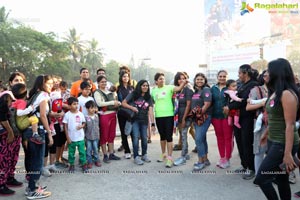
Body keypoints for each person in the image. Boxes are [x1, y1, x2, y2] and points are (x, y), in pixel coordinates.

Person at [254, 58, 300, 200]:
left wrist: (288, 154)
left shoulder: (287, 94)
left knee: (261, 178)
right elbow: (275, 118)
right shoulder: (274, 92)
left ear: (277, 72)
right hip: (273, 140)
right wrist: (266, 133)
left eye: (269, 70)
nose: (266, 73)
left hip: (283, 143)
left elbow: (290, 124)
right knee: (281, 178)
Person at [224, 65, 259, 180]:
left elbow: (244, 101)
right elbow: (236, 98)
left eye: (239, 73)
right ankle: (244, 165)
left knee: (247, 143)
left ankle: (251, 168)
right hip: (238, 118)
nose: (238, 75)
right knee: (239, 142)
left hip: (247, 118)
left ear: (245, 73)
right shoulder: (241, 84)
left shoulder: (253, 85)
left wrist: (229, 107)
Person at [24, 75, 53, 199]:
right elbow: (42, 115)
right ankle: (32, 190)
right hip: (37, 131)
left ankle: (32, 186)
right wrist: (49, 132)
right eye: (49, 84)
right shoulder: (43, 96)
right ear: (42, 84)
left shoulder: (34, 95)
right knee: (38, 161)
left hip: (29, 130)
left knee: (32, 160)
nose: (51, 86)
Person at [151, 72, 186, 168]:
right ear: (156, 81)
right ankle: (163, 154)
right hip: (158, 116)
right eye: (160, 79)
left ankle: (169, 158)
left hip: (169, 116)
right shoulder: (153, 91)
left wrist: (184, 81)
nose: (162, 80)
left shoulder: (169, 88)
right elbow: (150, 102)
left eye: (163, 78)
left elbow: (178, 88)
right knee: (162, 137)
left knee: (169, 137)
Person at [122, 80, 155, 165]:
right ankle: (136, 156)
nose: (145, 87)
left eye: (147, 86)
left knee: (144, 138)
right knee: (135, 138)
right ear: (139, 86)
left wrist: (153, 124)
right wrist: (132, 108)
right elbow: (123, 103)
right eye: (143, 85)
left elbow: (151, 111)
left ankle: (144, 155)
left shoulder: (149, 97)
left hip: (144, 120)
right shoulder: (133, 94)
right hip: (135, 120)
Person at [0, 91, 23, 196]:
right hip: (4, 139)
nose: (11, 103)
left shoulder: (8, 109)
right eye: (10, 100)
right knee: (3, 162)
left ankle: (8, 179)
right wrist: (10, 132)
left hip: (11, 138)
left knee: (10, 159)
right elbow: (3, 119)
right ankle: (1, 184)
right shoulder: (2, 110)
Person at [94, 75, 121, 163]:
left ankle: (111, 153)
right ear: (98, 83)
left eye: (105, 82)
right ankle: (105, 155)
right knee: (104, 135)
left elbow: (113, 101)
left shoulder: (109, 91)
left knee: (111, 135)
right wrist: (113, 102)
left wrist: (117, 103)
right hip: (104, 115)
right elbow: (100, 103)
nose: (104, 83)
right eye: (102, 82)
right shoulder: (97, 92)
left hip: (113, 114)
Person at [246, 70, 268, 175]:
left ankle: (273, 176)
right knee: (259, 150)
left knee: (275, 152)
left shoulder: (280, 90)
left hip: (277, 124)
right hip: (262, 124)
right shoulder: (257, 90)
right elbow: (248, 106)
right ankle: (259, 176)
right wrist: (263, 102)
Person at [211, 70, 234, 169]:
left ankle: (227, 159)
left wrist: (228, 107)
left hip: (227, 117)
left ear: (227, 77)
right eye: (220, 76)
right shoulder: (213, 88)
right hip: (215, 117)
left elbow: (234, 100)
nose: (222, 78)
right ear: (217, 77)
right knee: (219, 138)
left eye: (224, 76)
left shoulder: (230, 88)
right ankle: (222, 158)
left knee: (228, 138)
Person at [190, 73, 212, 171]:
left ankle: (200, 161)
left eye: (201, 79)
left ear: (205, 80)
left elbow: (207, 104)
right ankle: (206, 159)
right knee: (202, 138)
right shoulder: (196, 91)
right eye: (197, 79)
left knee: (198, 139)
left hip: (204, 117)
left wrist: (199, 115)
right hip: (196, 118)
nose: (199, 81)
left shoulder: (206, 90)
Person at [172, 72, 194, 166]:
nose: (181, 80)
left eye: (183, 78)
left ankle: (183, 156)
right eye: (179, 78)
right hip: (180, 116)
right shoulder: (178, 90)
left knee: (184, 135)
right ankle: (186, 154)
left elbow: (188, 105)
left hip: (186, 116)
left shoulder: (187, 89)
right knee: (183, 134)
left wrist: (184, 118)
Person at [63, 97, 88, 173]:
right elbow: (65, 127)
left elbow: (84, 123)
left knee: (82, 152)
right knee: (71, 153)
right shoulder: (67, 115)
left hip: (80, 138)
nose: (76, 105)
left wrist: (82, 126)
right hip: (72, 138)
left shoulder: (80, 114)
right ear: (69, 106)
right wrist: (68, 138)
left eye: (77, 104)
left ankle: (84, 165)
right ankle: (71, 165)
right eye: (74, 104)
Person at [117, 70, 134, 159]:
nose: (126, 78)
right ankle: (127, 151)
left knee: (132, 131)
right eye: (124, 76)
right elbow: (118, 100)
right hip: (122, 112)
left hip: (131, 112)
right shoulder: (118, 88)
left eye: (127, 76)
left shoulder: (132, 88)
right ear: (121, 78)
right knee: (124, 132)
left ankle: (135, 150)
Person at [84, 100, 101, 168]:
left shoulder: (97, 116)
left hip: (96, 136)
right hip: (88, 137)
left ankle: (96, 160)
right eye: (91, 108)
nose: (93, 109)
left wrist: (99, 135)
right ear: (87, 109)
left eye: (94, 107)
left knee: (96, 149)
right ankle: (89, 162)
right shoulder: (85, 117)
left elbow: (98, 126)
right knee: (88, 150)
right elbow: (84, 128)